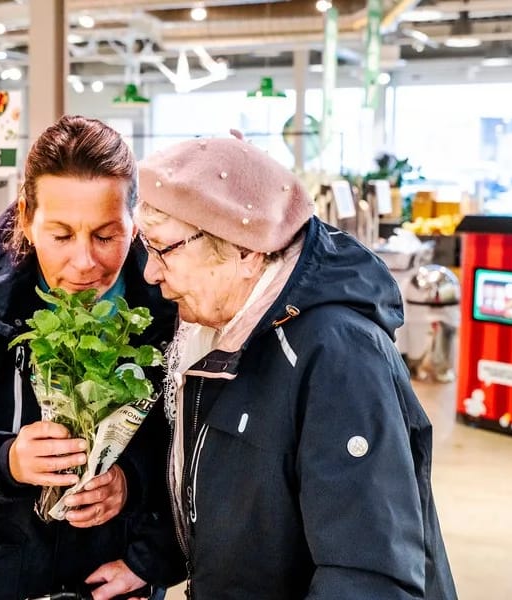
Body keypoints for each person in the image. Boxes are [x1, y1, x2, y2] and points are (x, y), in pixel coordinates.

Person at [134, 132, 459, 599]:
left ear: (246, 252)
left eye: (165, 249)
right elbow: (239, 504)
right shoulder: (216, 328)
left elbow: (366, 576)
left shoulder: (339, 357)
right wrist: (155, 560)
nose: (150, 271)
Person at [0, 115, 184, 600]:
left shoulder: (169, 301)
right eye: (61, 234)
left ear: (135, 221)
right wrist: (5, 461)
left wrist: (138, 514)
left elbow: (197, 449)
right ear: (27, 216)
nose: (84, 262)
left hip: (114, 581)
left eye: (106, 235)